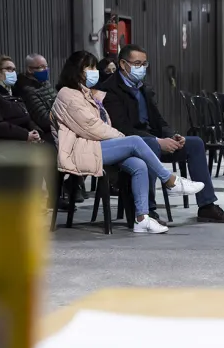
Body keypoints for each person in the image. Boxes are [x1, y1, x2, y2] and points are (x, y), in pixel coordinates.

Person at [52, 50, 205, 234]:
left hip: (94, 146)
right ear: (76, 70)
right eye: (90, 67)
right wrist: (123, 139)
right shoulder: (67, 94)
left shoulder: (87, 95)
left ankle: (141, 218)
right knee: (135, 141)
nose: (95, 71)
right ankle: (170, 181)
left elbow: (102, 123)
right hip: (77, 150)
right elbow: (92, 127)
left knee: (139, 164)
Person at [99, 44, 224, 223]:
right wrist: (157, 141)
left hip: (153, 138)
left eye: (144, 64)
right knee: (149, 145)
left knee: (195, 143)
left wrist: (172, 135)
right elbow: (121, 128)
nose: (141, 68)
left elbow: (159, 120)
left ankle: (207, 206)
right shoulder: (110, 90)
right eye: (137, 64)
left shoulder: (144, 88)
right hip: (128, 143)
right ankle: (147, 212)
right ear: (123, 64)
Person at [14, 53, 56, 142]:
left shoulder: (45, 83)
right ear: (30, 69)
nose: (46, 70)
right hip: (46, 135)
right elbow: (44, 120)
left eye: (46, 66)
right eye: (41, 67)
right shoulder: (26, 90)